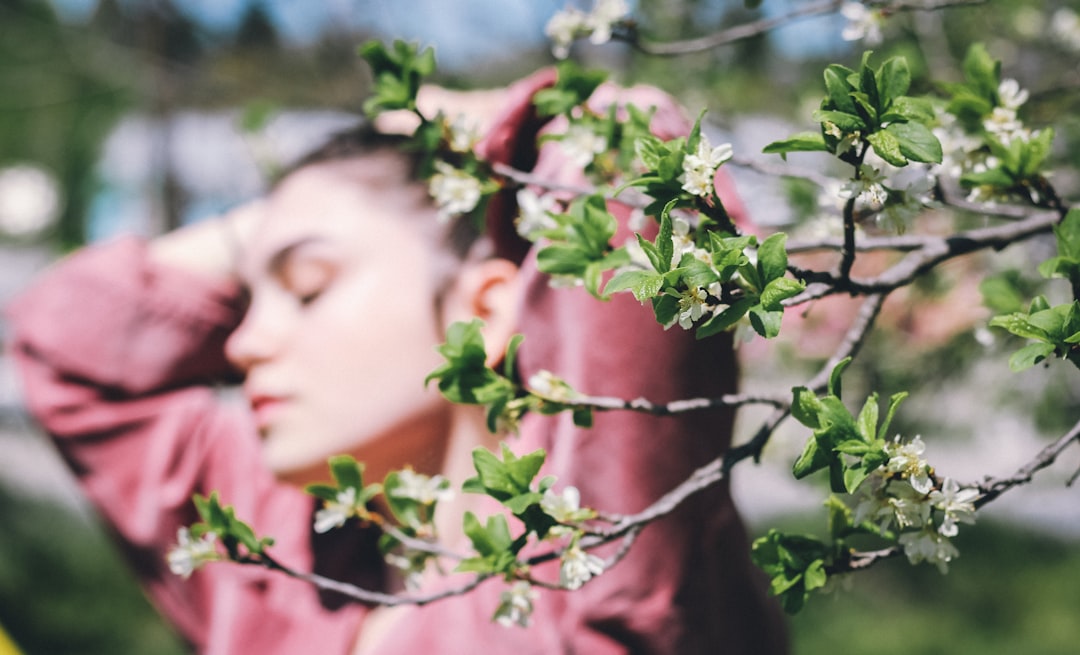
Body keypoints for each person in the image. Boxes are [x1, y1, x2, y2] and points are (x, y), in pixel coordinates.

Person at [6, 68, 788, 654]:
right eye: (244, 302)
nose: (240, 342)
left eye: (308, 286)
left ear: (482, 309)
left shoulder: (590, 555)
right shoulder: (283, 565)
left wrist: (468, 126)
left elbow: (633, 149)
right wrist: (291, 214)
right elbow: (70, 342)